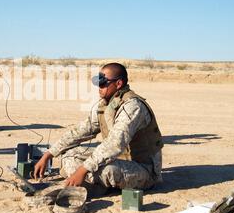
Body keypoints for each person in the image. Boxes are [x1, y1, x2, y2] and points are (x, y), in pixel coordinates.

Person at [34, 63, 164, 192]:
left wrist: (83, 169)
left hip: (144, 170)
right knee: (69, 156)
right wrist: (49, 154)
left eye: (103, 83)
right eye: (98, 83)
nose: (99, 88)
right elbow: (82, 130)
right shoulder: (107, 104)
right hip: (118, 160)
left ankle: (93, 185)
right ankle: (94, 183)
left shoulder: (133, 106)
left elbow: (115, 143)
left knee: (107, 171)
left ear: (118, 84)